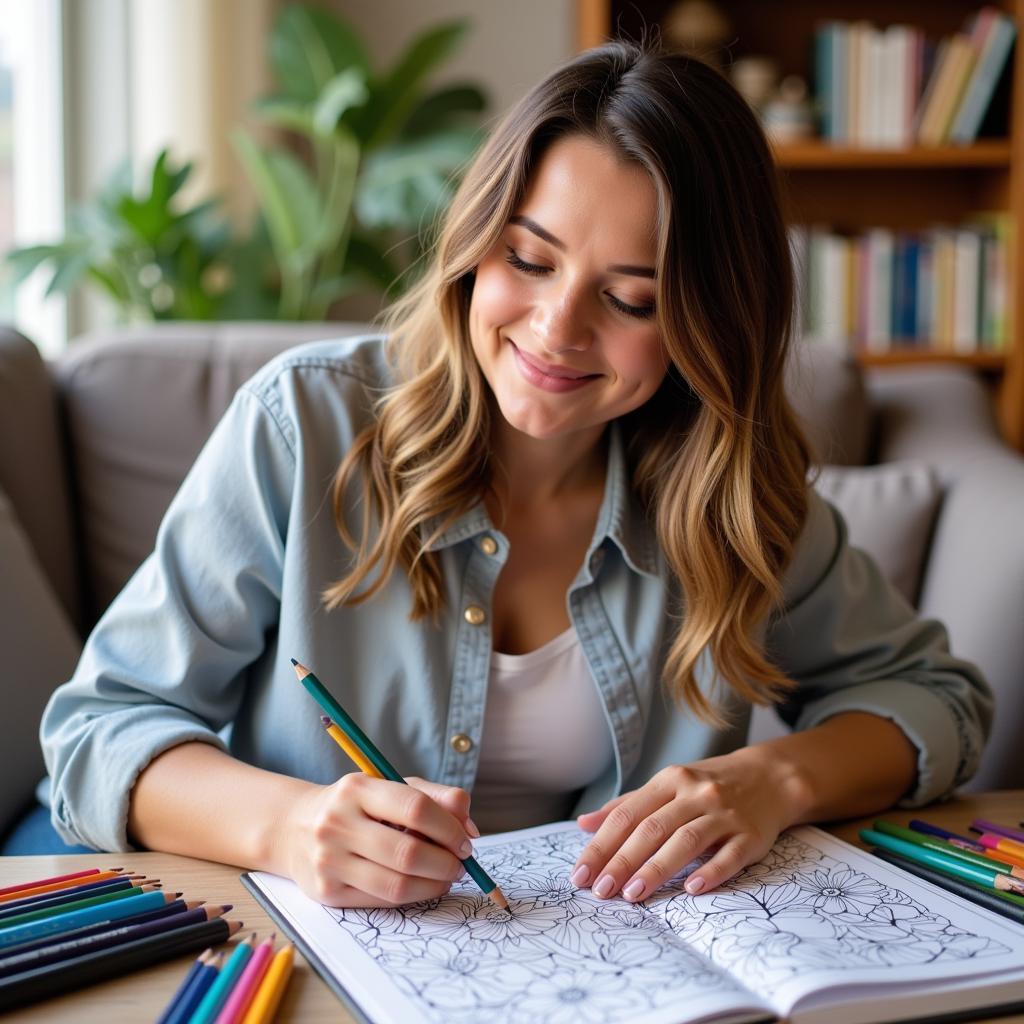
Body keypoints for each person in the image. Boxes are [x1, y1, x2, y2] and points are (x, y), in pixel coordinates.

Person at [35, 40, 990, 909]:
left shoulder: (729, 491)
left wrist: (777, 779)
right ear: (473, 241)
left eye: (629, 299)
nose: (556, 329)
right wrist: (285, 826)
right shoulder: (306, 426)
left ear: (707, 322)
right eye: (528, 259)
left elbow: (938, 699)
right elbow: (96, 734)